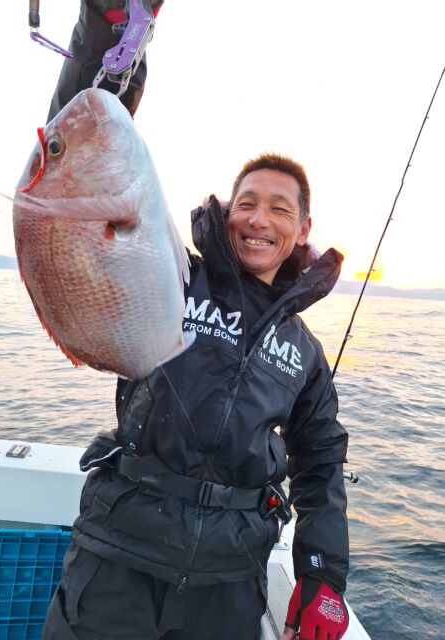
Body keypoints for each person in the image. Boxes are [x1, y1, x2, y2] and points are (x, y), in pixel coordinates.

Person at [43, 3, 350, 639]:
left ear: (302, 230)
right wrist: (110, 29)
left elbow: (320, 463)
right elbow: (83, 148)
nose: (258, 220)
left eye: (279, 209)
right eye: (246, 203)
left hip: (227, 583)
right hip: (118, 556)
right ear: (227, 213)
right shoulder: (172, 276)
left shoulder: (305, 352)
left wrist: (322, 577)